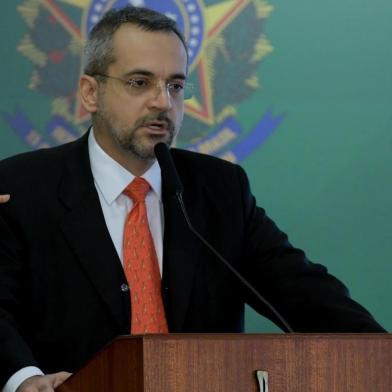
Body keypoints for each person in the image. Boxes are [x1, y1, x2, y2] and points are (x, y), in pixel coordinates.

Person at [0, 6, 385, 392]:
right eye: (139, 82)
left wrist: (380, 353)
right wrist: (25, 379)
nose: (163, 103)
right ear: (90, 92)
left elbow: (305, 293)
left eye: (176, 86)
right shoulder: (23, 187)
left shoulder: (219, 189)